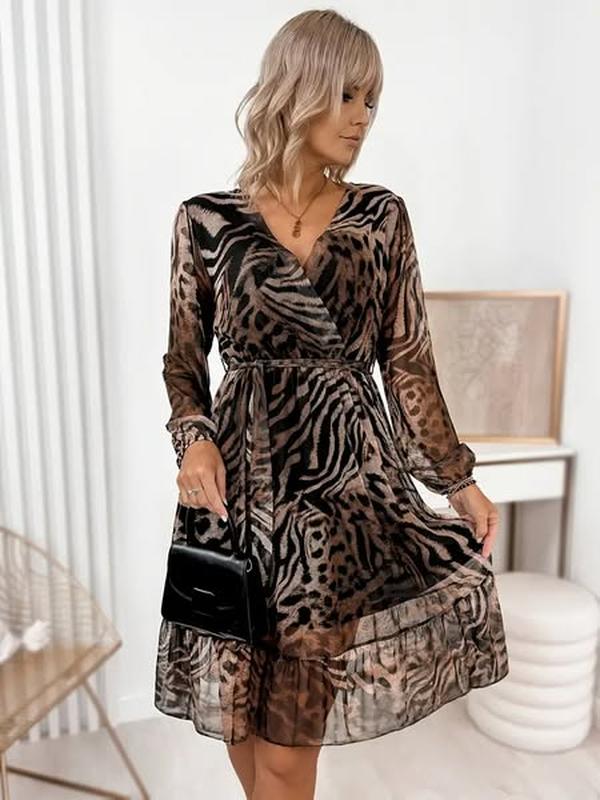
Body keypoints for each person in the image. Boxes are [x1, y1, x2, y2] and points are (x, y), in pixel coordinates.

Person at [154, 9, 509, 800]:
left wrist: (458, 481)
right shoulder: (206, 221)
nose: (362, 118)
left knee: (288, 747)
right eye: (347, 94)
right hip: (237, 499)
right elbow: (183, 360)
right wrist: (194, 438)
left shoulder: (380, 217)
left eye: (372, 100)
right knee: (240, 725)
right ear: (298, 88)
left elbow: (407, 362)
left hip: (338, 501)